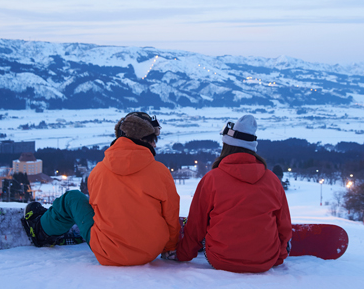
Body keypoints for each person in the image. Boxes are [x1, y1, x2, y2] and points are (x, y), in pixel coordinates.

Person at [22, 112, 180, 266]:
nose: (155, 144)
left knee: (72, 198)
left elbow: (99, 211)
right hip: (150, 252)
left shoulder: (99, 171)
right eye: (153, 139)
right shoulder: (160, 172)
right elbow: (171, 215)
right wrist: (170, 248)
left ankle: (40, 231)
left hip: (108, 253)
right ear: (143, 139)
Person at [171, 115, 292, 273]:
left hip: (221, 260)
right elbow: (283, 225)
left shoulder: (212, 179)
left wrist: (182, 254)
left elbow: (196, 225)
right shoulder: (272, 180)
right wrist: (278, 257)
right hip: (265, 260)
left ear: (226, 146)